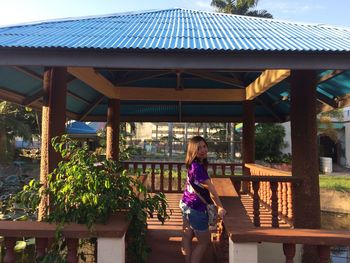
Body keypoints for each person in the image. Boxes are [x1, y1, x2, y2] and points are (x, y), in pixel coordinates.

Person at [180, 136, 227, 263]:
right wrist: (220, 206)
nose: (203, 150)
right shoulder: (199, 168)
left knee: (187, 235)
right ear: (192, 150)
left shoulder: (192, 164)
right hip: (196, 209)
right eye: (198, 148)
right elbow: (212, 192)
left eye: (204, 146)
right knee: (204, 242)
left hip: (185, 203)